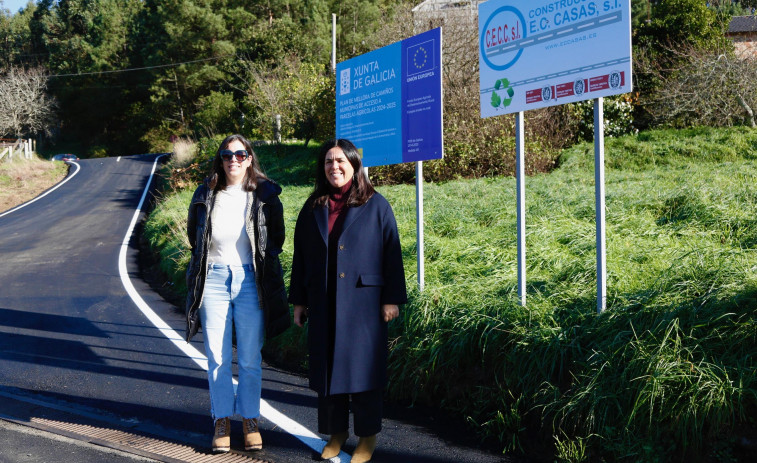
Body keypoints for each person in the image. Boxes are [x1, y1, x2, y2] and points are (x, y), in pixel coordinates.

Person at [289, 138, 407, 463]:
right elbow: (301, 257)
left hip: (365, 304)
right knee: (328, 373)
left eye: (341, 161)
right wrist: (299, 300)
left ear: (354, 165)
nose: (334, 167)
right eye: (328, 161)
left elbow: (392, 253)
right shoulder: (312, 207)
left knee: (364, 373)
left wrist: (392, 299)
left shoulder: (377, 205)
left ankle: (367, 437)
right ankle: (336, 433)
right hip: (323, 301)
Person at [184, 134, 289, 453]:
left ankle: (250, 420)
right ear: (220, 158)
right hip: (213, 279)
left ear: (249, 158)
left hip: (249, 280)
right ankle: (221, 421)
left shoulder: (266, 193)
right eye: (227, 155)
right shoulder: (205, 192)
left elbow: (276, 240)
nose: (233, 160)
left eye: (240, 154)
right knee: (216, 356)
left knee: (249, 357)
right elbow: (195, 235)